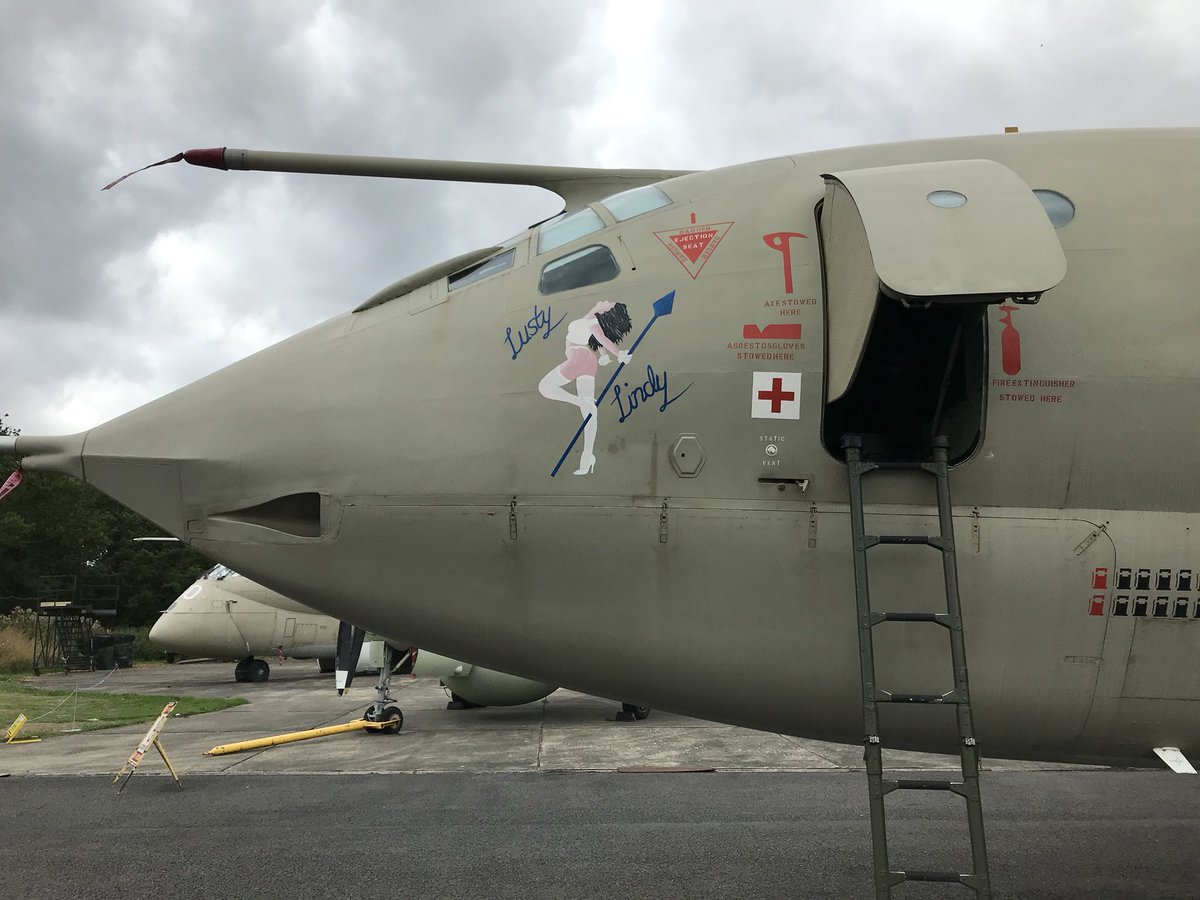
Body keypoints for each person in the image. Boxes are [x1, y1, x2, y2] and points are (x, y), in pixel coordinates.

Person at [538, 300, 633, 474]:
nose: (607, 301)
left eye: (609, 303)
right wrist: (604, 355)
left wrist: (619, 354)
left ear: (606, 311)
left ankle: (580, 402)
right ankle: (587, 456)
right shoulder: (590, 319)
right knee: (589, 413)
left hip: (578, 358)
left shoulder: (592, 321)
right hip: (587, 360)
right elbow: (599, 340)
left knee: (545, 387)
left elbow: (602, 339)